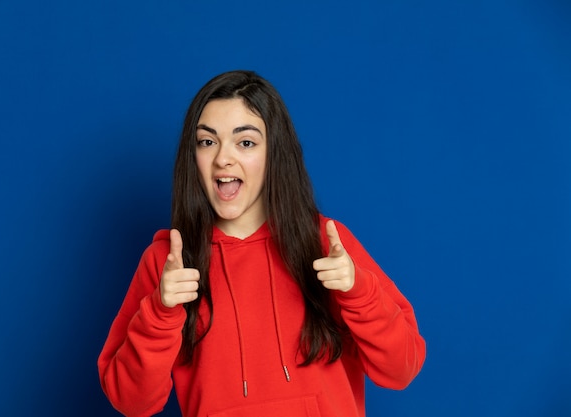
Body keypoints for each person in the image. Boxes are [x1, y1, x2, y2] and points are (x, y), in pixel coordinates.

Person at [98, 70, 426, 417]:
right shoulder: (169, 263)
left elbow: (401, 370)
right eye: (207, 141)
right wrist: (161, 313)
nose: (223, 158)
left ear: (275, 153)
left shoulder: (326, 244)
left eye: (246, 142)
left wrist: (357, 290)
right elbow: (131, 402)